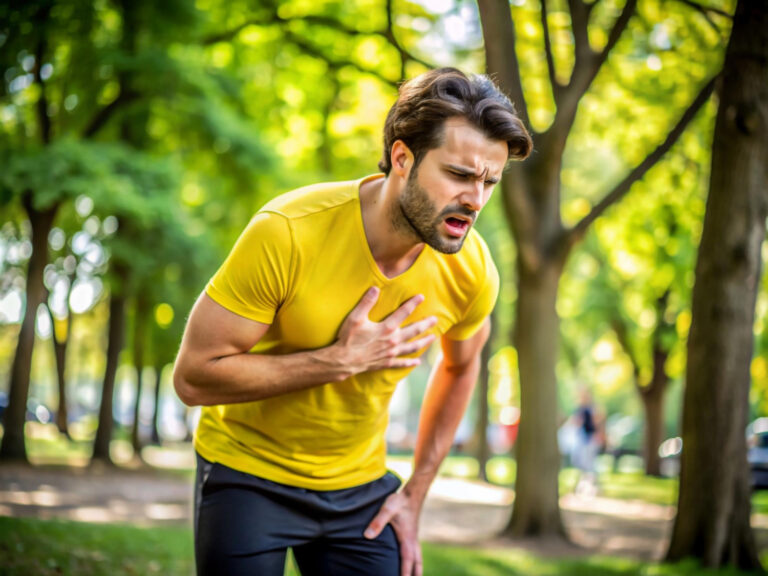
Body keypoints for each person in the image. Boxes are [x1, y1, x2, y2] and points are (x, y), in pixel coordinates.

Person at [173, 67, 532, 576]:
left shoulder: (472, 269)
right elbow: (192, 377)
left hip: (358, 487)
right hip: (247, 472)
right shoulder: (288, 233)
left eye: (488, 181)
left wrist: (416, 493)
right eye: (458, 174)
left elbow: (461, 366)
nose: (475, 199)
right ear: (403, 158)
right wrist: (336, 361)